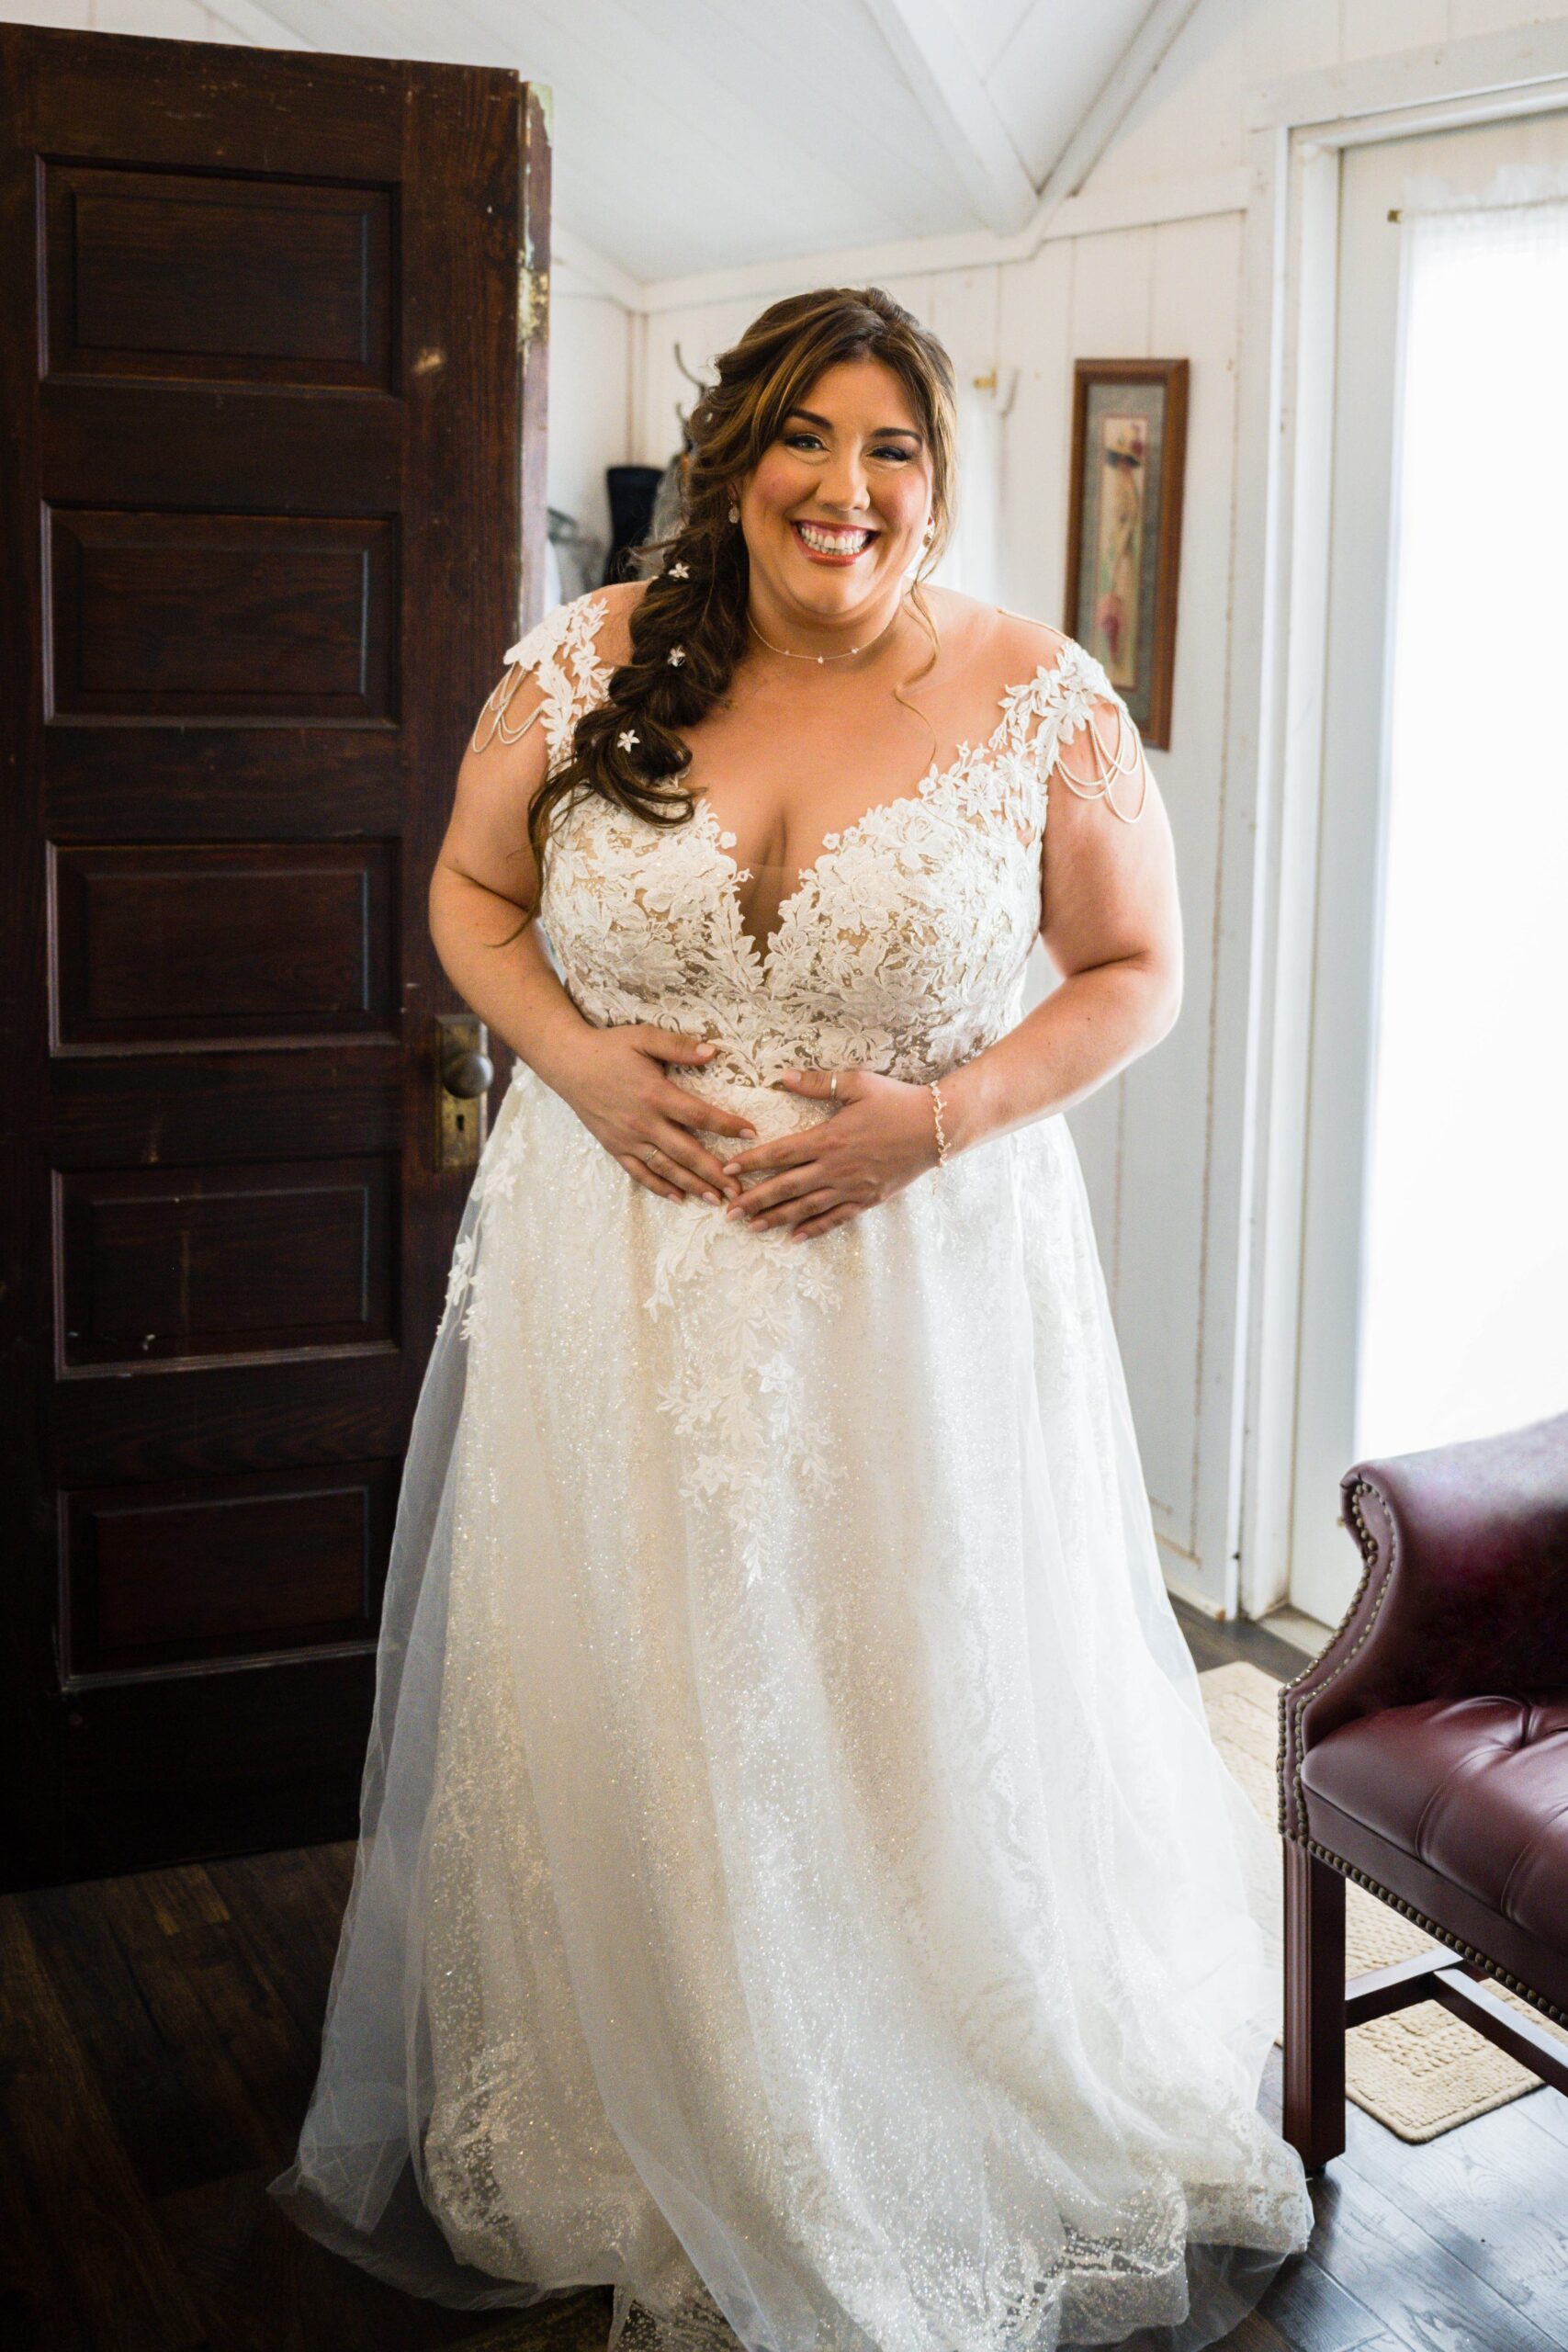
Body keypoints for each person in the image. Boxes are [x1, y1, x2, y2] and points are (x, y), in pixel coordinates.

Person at [269, 285, 1314, 2351]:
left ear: (938, 475)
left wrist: (928, 1121)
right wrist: (568, 1060)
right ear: (739, 457)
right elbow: (469, 901)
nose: (849, 488)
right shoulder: (576, 670)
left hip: (909, 1283)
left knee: (899, 1674)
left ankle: (913, 2069)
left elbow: (1134, 970)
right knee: (637, 1663)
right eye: (807, 439)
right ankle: (646, 2075)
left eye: (894, 447)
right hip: (619, 1269)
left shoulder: (1038, 697)